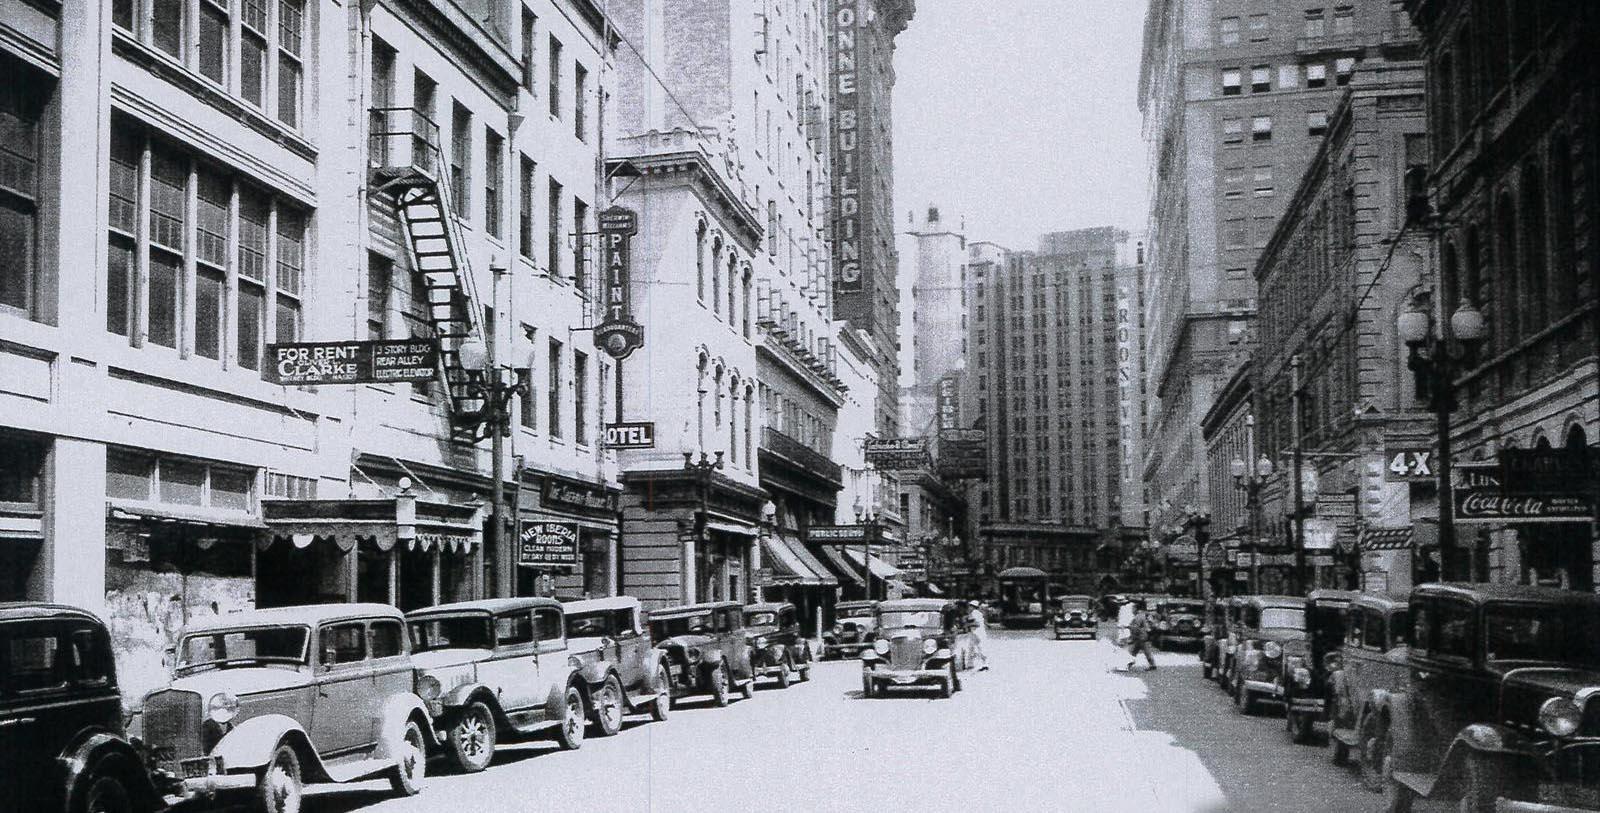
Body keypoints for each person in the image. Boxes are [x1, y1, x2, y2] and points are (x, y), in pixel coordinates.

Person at [1126, 603, 1156, 672]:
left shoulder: (1138, 616)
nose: (1132, 610)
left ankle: (1128, 665)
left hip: (1139, 637)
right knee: (1146, 652)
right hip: (1144, 636)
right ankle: (1152, 665)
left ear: (1136, 609)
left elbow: (1135, 628)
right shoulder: (1144, 615)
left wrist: (1129, 628)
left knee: (1132, 652)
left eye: (1133, 608)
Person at [966, 601, 990, 672]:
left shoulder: (974, 613)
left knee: (977, 648)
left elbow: (976, 623)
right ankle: (972, 664)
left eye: (970, 606)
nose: (969, 607)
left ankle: (982, 665)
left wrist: (967, 625)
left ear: (972, 606)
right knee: (974, 648)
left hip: (976, 632)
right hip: (978, 632)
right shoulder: (978, 613)